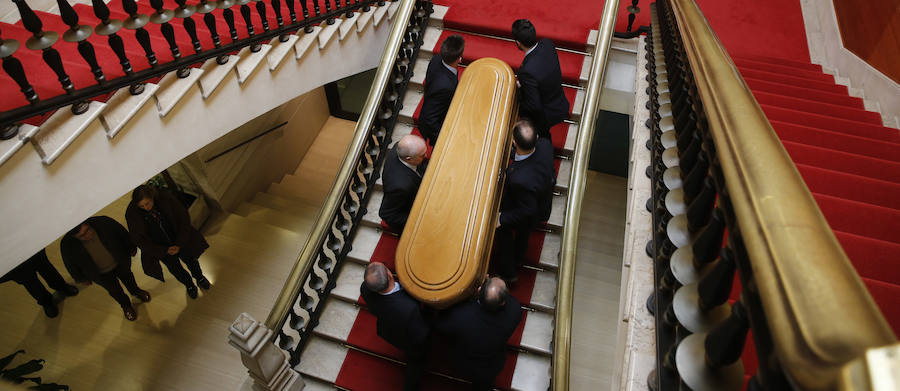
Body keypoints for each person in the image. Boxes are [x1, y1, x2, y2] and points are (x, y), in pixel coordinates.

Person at [435, 277, 522, 390]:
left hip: (464, 363)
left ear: (479, 290)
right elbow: (508, 300)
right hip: (490, 366)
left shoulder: (461, 317)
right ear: (503, 302)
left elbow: (439, 325)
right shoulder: (515, 311)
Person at [125, 185, 211, 299]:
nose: (146, 207)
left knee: (191, 260)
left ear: (152, 197)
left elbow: (183, 218)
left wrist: (179, 243)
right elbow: (139, 239)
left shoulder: (166, 198)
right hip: (161, 249)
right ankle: (189, 285)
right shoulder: (132, 214)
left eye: (147, 203)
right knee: (176, 270)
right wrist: (163, 250)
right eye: (142, 206)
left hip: (179, 239)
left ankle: (199, 278)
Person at [496, 120, 555, 282]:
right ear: (536, 138)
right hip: (541, 198)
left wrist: (501, 219)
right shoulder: (545, 144)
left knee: (508, 232)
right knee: (524, 233)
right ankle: (519, 257)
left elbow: (527, 210)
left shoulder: (520, 180)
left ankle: (509, 272)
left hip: (530, 210)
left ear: (514, 143)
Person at [61, 216, 151, 321]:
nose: (87, 235)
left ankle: (136, 291)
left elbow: (122, 232)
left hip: (120, 261)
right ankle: (126, 305)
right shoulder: (67, 244)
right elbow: (70, 263)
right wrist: (81, 278)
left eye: (87, 230)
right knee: (115, 291)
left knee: (128, 278)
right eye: (82, 236)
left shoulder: (103, 222)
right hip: (100, 274)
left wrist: (131, 247)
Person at [359, 262, 430, 391]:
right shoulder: (408, 307)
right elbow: (421, 334)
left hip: (387, 329)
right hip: (410, 338)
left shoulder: (365, 288)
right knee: (416, 360)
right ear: (389, 274)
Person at [512, 19, 570, 139]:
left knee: (542, 137)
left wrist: (518, 97)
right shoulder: (547, 44)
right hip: (560, 103)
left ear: (518, 43)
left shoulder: (527, 72)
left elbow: (534, 106)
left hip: (546, 115)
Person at [1, 249, 78, 318]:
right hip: (7, 261)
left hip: (25, 247)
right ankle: (46, 301)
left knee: (46, 268)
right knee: (29, 282)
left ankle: (61, 286)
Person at [418, 35, 465, 146]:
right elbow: (430, 117)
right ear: (460, 58)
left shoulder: (436, 59)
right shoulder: (445, 86)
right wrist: (443, 137)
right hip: (436, 124)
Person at [379, 134, 428, 232]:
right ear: (409, 159)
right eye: (422, 155)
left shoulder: (400, 147)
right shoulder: (400, 187)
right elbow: (387, 214)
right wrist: (419, 219)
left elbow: (421, 165)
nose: (426, 156)